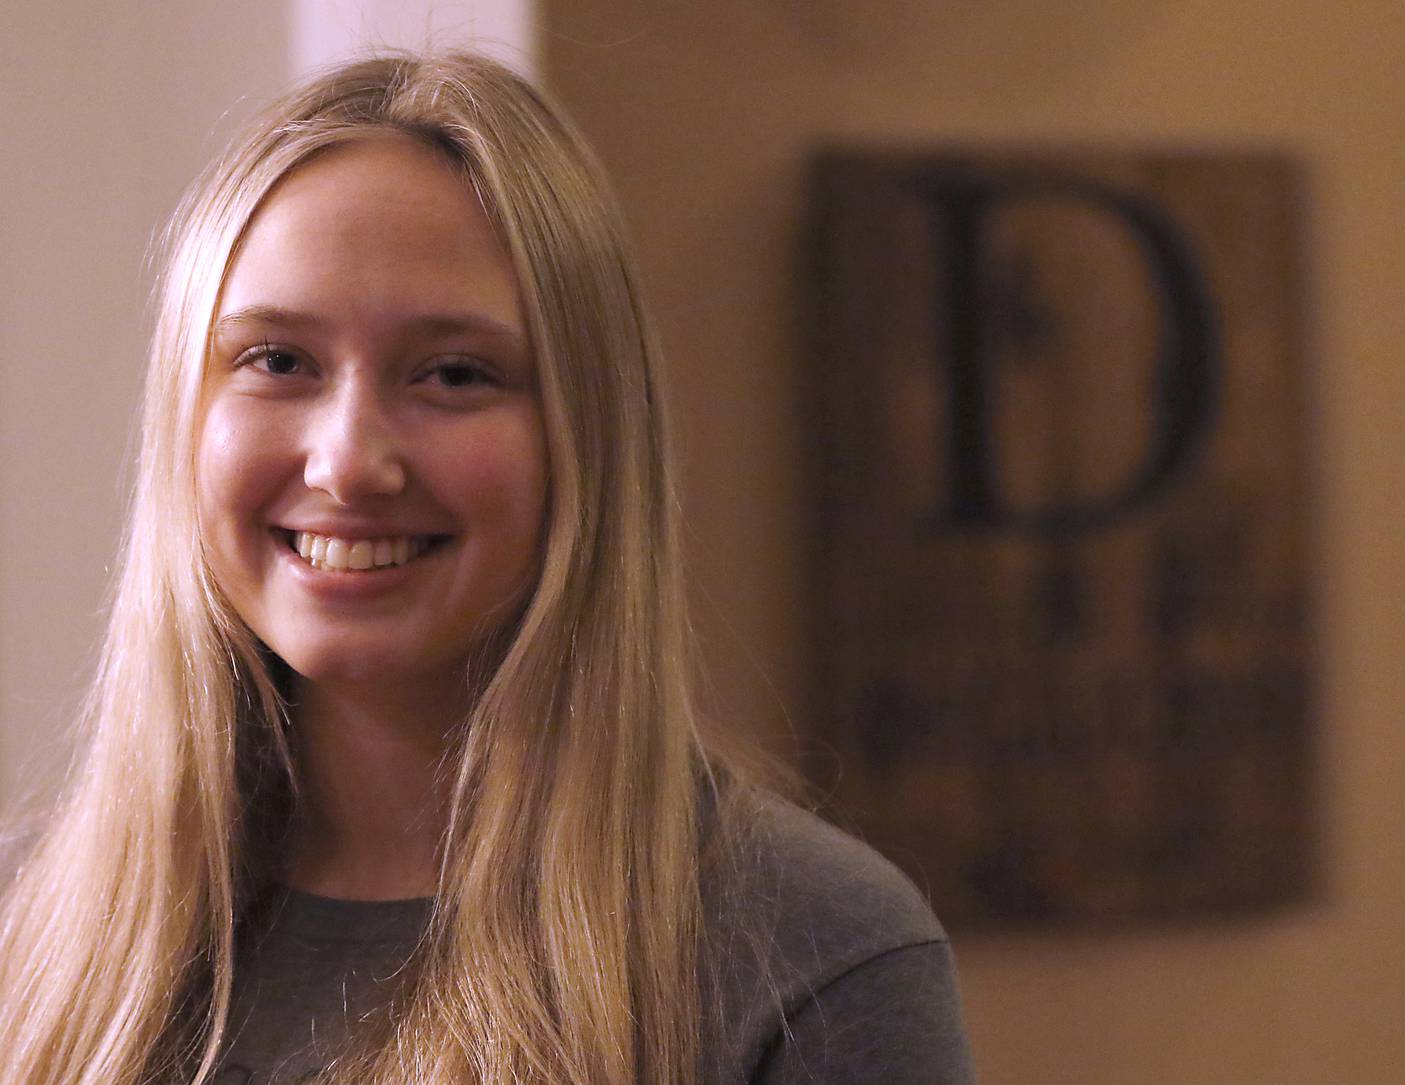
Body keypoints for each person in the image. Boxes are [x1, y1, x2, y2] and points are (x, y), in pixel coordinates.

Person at [0, 51, 973, 1085]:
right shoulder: (28, 921)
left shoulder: (818, 960)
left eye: (454, 373)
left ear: (585, 436)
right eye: (278, 360)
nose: (348, 461)